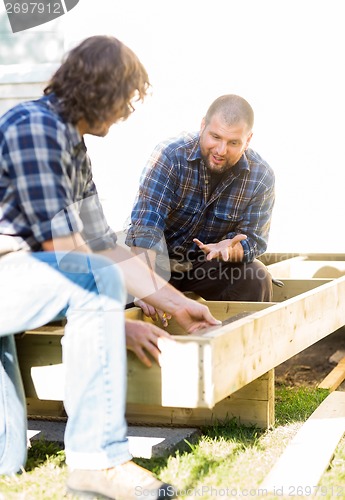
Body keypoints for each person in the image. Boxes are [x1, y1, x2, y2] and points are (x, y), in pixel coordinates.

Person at [0, 35, 220, 499]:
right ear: (101, 91)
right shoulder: (32, 128)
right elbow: (67, 257)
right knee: (96, 278)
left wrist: (177, 303)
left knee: (6, 460)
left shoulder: (71, 144)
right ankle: (97, 461)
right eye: (126, 101)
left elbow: (104, 245)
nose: (126, 114)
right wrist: (115, 324)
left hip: (14, 290)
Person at [125, 94, 275, 322]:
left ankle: (241, 349)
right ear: (203, 125)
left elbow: (255, 239)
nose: (221, 150)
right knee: (120, 289)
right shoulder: (171, 156)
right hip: (158, 262)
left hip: (207, 268)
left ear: (248, 140)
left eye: (233, 142)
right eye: (215, 137)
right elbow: (147, 225)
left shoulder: (261, 176)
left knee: (257, 275)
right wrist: (146, 284)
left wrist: (233, 250)